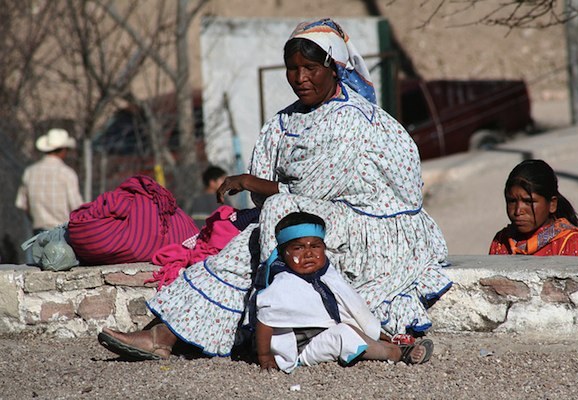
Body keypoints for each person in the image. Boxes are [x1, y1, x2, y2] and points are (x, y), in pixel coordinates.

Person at [98, 17, 451, 362]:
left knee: (275, 219)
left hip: (367, 223)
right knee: (249, 242)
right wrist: (262, 189)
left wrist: (252, 181)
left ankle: (265, 318)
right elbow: (268, 196)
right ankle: (165, 334)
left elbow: (310, 194)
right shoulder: (283, 121)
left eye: (311, 68)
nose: (300, 78)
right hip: (312, 215)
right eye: (292, 69)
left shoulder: (351, 120)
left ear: (333, 68)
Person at [255, 212, 433, 373]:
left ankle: (385, 341)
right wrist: (265, 357)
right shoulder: (282, 285)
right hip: (303, 348)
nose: (308, 254)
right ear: (283, 253)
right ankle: (395, 353)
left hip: (329, 330)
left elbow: (348, 306)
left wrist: (374, 331)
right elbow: (265, 321)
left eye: (315, 246)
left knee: (353, 323)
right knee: (343, 334)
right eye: (298, 248)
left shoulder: (326, 274)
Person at [489, 159, 578, 256]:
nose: (518, 211)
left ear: (552, 204)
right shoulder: (501, 242)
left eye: (528, 202)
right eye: (512, 201)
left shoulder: (573, 245)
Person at [15, 128, 84, 235]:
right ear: (63, 150)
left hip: (38, 232)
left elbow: (24, 204)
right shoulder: (67, 173)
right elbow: (76, 207)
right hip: (62, 233)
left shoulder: (30, 172)